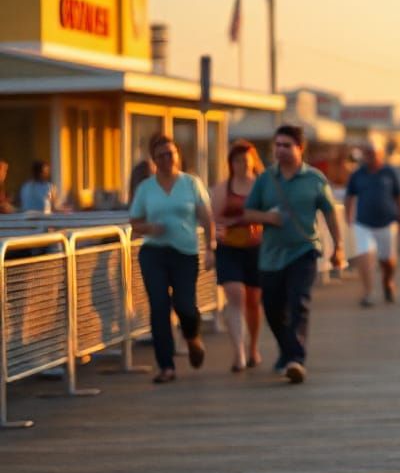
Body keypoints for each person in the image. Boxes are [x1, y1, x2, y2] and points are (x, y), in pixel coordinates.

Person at [238, 124, 344, 384]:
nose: (281, 150)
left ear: (300, 148)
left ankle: (296, 359)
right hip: (271, 256)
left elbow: (330, 213)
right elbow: (247, 213)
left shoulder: (315, 179)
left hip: (303, 251)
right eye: (277, 145)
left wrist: (338, 246)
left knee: (299, 303)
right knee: (273, 308)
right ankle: (286, 351)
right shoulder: (266, 179)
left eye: (287, 145)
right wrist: (268, 218)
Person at [129, 134, 215, 384]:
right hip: (153, 252)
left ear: (178, 155)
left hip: (185, 253)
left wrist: (211, 247)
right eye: (161, 156)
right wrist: (149, 228)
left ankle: (192, 338)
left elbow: (207, 217)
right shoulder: (146, 188)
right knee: (159, 306)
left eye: (171, 154)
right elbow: (134, 222)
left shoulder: (191, 183)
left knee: (185, 305)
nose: (167, 159)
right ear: (154, 160)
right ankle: (166, 366)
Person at [210, 140, 264, 371]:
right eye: (236, 161)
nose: (241, 164)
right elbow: (212, 219)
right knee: (235, 294)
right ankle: (239, 352)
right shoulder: (223, 188)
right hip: (229, 248)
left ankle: (253, 347)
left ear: (253, 161)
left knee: (253, 301)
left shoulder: (262, 186)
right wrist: (216, 234)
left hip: (256, 247)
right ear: (230, 164)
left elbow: (272, 214)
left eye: (245, 160)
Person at [344, 137, 400, 307]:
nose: (369, 156)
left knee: (388, 261)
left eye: (372, 153)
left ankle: (388, 283)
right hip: (363, 223)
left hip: (387, 223)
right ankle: (368, 292)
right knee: (364, 256)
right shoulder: (357, 174)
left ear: (380, 154)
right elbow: (349, 196)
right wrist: (348, 217)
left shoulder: (390, 172)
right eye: (367, 153)